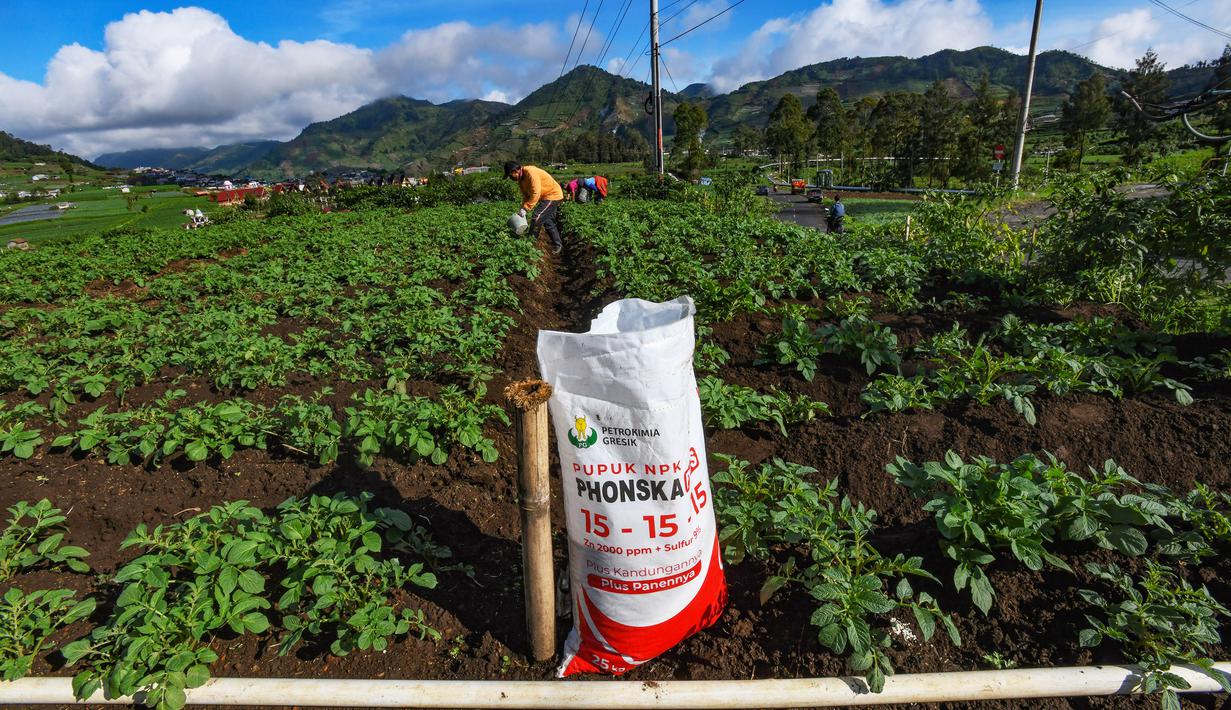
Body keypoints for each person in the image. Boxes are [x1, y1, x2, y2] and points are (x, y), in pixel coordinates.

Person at [505, 160, 564, 254]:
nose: (510, 178)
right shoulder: (521, 180)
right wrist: (522, 208)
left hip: (552, 195)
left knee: (537, 217)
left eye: (510, 175)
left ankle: (531, 242)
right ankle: (558, 245)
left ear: (516, 171)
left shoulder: (531, 172)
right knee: (548, 222)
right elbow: (526, 196)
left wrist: (526, 208)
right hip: (546, 197)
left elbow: (536, 192)